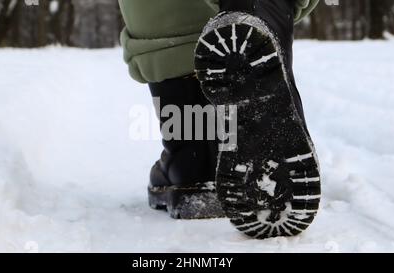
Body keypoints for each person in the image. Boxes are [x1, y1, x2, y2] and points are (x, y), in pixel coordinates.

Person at [118, 0, 321, 239]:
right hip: (270, 19)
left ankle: (194, 155)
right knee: (260, 10)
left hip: (184, 126)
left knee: (166, 11)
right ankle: (261, 16)